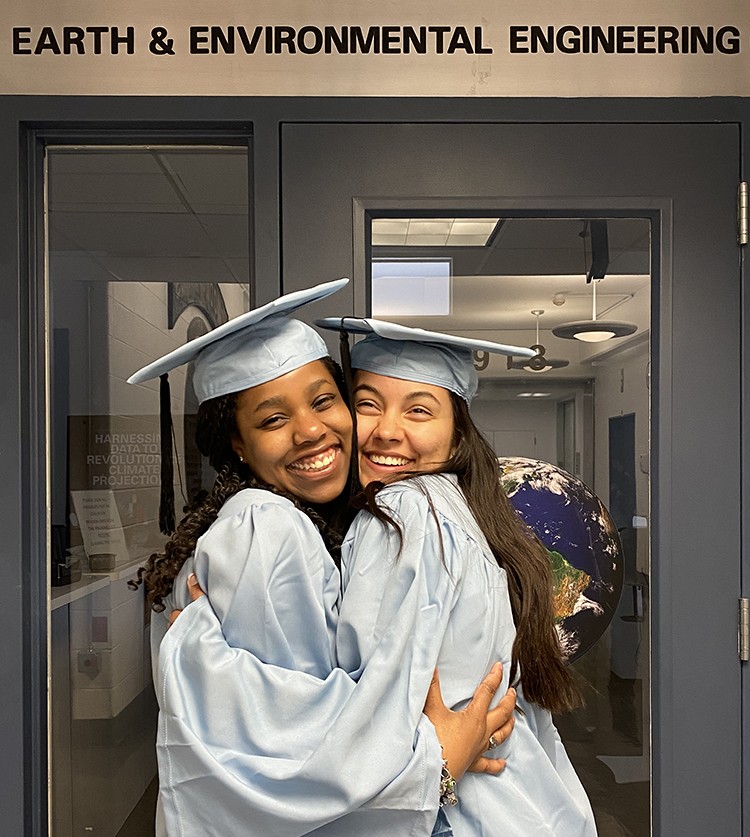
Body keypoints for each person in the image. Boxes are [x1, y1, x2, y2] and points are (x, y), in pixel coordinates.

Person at [128, 280, 516, 837]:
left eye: (323, 400)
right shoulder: (267, 528)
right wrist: (437, 756)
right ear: (237, 443)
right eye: (271, 419)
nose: (311, 431)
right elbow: (299, 752)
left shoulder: (321, 522)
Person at [315, 316, 597, 835]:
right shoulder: (472, 511)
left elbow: (359, 707)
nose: (387, 430)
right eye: (367, 404)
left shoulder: (401, 512)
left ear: (456, 434)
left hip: (452, 815)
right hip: (522, 807)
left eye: (418, 409)